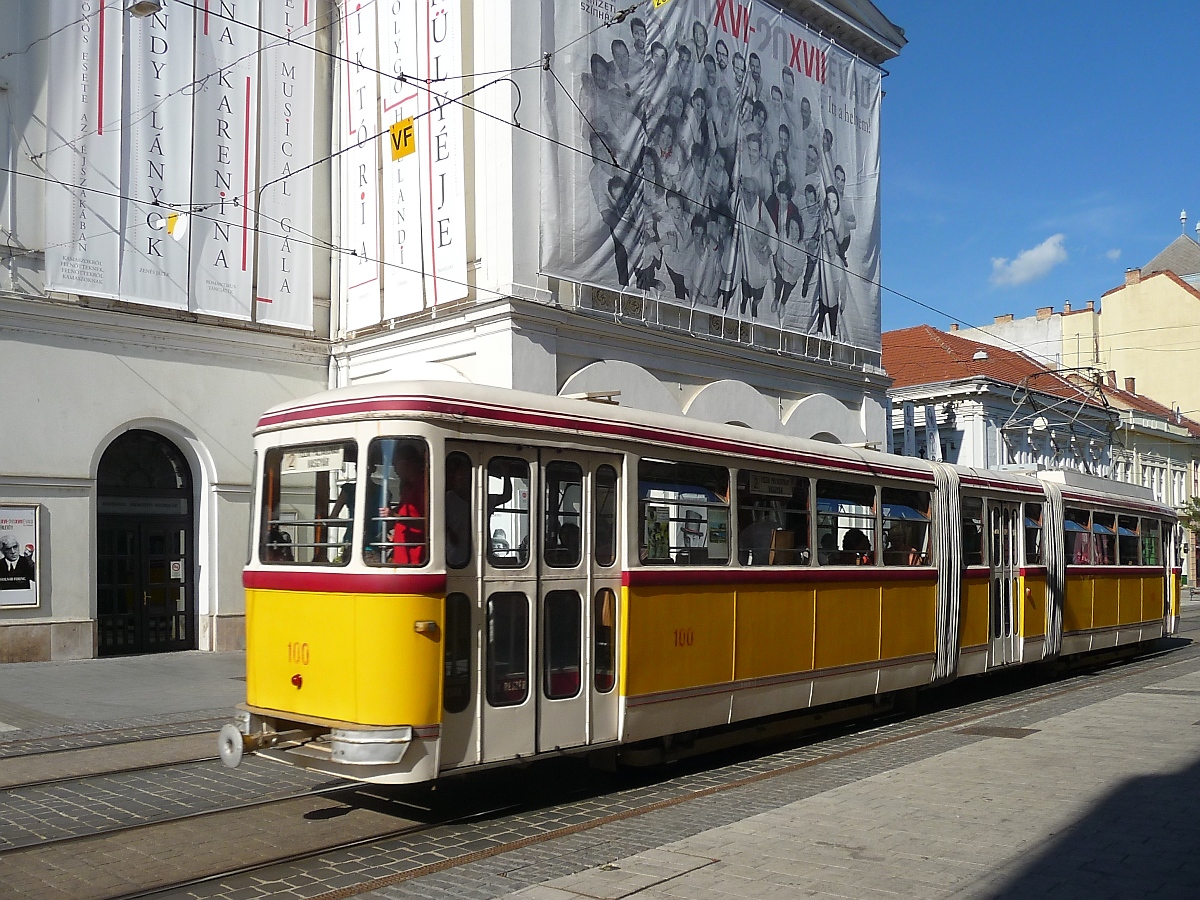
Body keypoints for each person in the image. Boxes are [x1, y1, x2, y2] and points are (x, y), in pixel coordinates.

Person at [379, 444, 427, 565]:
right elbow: (403, 512)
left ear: (406, 463)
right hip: (402, 554)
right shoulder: (407, 487)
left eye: (396, 464)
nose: (394, 469)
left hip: (416, 557)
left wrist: (394, 516)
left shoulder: (424, 486)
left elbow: (427, 523)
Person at [444, 456, 472, 568]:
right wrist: (449, 532)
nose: (462, 481)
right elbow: (439, 519)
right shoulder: (449, 498)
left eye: (465, 478)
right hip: (453, 552)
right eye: (460, 478)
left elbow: (505, 497)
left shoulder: (477, 498)